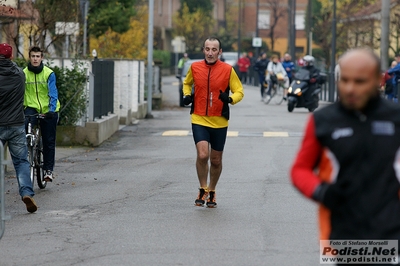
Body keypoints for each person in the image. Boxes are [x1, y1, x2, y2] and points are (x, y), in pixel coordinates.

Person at [291, 48, 400, 246]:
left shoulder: (396, 118)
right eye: (345, 80)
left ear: (379, 80)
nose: (350, 88)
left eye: (359, 81)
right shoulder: (322, 121)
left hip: (392, 232)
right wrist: (320, 192)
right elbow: (300, 169)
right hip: (339, 235)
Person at [182, 37, 244, 208]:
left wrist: (230, 99)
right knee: (203, 155)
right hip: (199, 117)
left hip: (220, 121)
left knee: (216, 160)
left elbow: (239, 91)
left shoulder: (228, 70)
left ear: (219, 52)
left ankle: (212, 190)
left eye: (214, 49)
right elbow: (187, 83)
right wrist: (187, 95)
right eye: (207, 49)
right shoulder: (194, 67)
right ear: (203, 50)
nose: (210, 53)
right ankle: (203, 188)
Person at [0, 43, 37, 213]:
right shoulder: (19, 74)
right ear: (11, 57)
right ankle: (27, 193)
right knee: (21, 161)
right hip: (16, 124)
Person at [24, 46, 60, 182]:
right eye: (33, 56)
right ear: (29, 57)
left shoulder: (49, 73)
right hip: (31, 108)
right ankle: (27, 156)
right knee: (23, 133)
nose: (35, 59)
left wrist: (51, 110)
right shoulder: (24, 73)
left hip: (48, 110)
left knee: (48, 140)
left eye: (37, 56)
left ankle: (48, 170)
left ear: (42, 58)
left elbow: (53, 93)